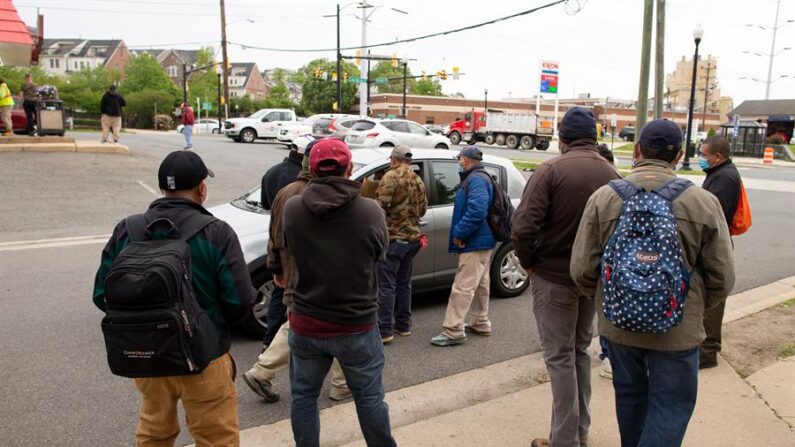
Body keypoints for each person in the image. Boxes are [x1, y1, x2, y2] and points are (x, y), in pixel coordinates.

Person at [571, 119, 735, 447]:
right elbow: (722, 277)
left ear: (637, 150)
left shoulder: (604, 198)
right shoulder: (702, 202)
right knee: (671, 404)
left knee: (630, 397)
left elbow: (581, 269)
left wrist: (613, 300)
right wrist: (692, 307)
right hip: (679, 329)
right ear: (678, 157)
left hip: (620, 325)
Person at [93, 150, 256, 446]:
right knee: (216, 436)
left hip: (148, 355)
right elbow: (241, 300)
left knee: (154, 433)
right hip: (205, 357)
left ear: (161, 188)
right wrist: (212, 328)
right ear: (202, 188)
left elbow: (102, 294)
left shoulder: (128, 230)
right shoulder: (216, 232)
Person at [512, 107, 621, 447]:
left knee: (560, 357)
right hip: (590, 279)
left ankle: (564, 440)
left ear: (562, 139)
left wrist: (529, 264)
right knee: (578, 352)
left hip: (553, 276)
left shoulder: (551, 170)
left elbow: (523, 226)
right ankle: (579, 430)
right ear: (594, 137)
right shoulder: (612, 173)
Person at [282, 138, 395, 446]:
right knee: (370, 397)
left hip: (306, 322)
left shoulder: (293, 209)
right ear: (350, 168)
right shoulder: (370, 211)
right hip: (356, 324)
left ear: (312, 169)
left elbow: (290, 250)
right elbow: (379, 254)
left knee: (303, 398)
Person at [242, 139, 351, 404]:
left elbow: (274, 235)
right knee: (334, 325)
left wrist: (276, 268)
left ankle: (263, 370)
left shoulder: (285, 192)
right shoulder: (317, 195)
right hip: (316, 275)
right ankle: (339, 384)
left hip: (291, 272)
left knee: (297, 324)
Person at [430, 145, 496, 347]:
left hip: (474, 241)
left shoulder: (475, 179)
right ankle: (480, 322)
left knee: (463, 286)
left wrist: (460, 232)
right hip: (483, 240)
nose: (458, 162)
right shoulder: (482, 177)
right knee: (481, 284)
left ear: (465, 160)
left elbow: (477, 211)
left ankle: (453, 330)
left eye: (459, 159)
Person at [375, 144, 428, 344]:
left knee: (386, 285)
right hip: (413, 239)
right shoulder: (418, 179)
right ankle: (403, 325)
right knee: (404, 283)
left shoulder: (390, 177)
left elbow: (380, 208)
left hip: (394, 238)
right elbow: (423, 210)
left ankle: (385, 330)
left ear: (394, 160)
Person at [698, 135, 742, 369]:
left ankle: (707, 352)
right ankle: (705, 348)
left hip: (715, 246)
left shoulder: (724, 177)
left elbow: (713, 214)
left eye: (704, 155)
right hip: (715, 244)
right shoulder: (720, 174)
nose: (701, 158)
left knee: (713, 301)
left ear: (717, 156)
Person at [256, 145, 306, 352]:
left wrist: (274, 261)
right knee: (297, 299)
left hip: (278, 241)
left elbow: (265, 204)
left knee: (279, 293)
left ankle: (269, 342)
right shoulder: (304, 184)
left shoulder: (272, 173)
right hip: (300, 246)